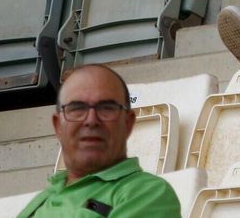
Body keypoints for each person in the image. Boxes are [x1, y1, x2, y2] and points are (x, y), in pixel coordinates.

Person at [18, 63, 180, 217]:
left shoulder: (148, 193)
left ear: (128, 123)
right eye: (77, 109)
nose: (91, 120)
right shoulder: (42, 199)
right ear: (58, 126)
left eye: (106, 108)